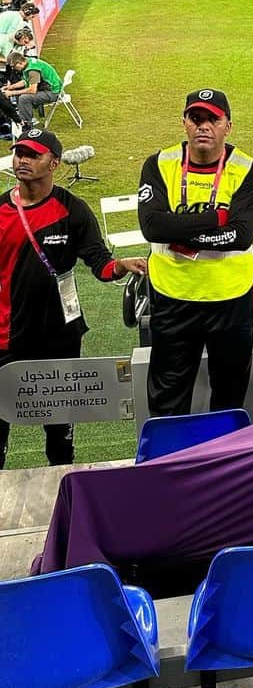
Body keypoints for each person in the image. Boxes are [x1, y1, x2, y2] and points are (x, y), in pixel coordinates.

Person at [0, 127, 146, 469]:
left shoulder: (73, 210)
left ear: (54, 163)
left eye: (33, 155)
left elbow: (99, 261)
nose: (23, 160)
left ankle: (63, 490)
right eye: (20, 152)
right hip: (5, 335)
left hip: (59, 336)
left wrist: (120, 265)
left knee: (60, 431)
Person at [137, 89, 253, 418]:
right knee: (167, 396)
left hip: (230, 297)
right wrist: (216, 219)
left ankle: (221, 464)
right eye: (196, 119)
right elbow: (152, 227)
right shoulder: (159, 164)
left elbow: (241, 236)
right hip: (173, 297)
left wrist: (179, 227)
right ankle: (168, 467)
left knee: (230, 392)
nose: (203, 126)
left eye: (212, 119)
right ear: (184, 124)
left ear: (228, 126)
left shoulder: (247, 169)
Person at [1, 50, 60, 132]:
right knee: (20, 94)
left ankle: (27, 126)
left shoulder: (32, 70)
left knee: (24, 98)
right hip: (49, 89)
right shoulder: (29, 62)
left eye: (14, 67)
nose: (14, 69)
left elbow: (32, 90)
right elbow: (26, 81)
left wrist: (11, 93)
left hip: (53, 93)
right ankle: (23, 119)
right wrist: (10, 87)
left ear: (19, 63)